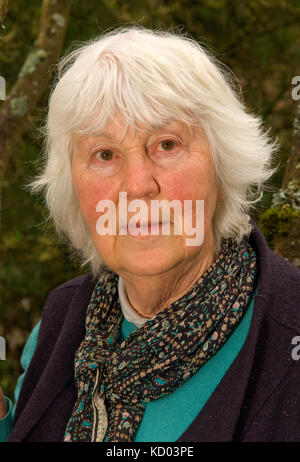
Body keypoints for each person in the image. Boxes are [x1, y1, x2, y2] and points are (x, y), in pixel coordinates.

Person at [1, 26, 300, 443]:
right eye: (104, 154)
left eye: (166, 145)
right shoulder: (59, 323)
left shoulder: (289, 331)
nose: (138, 186)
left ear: (223, 161)